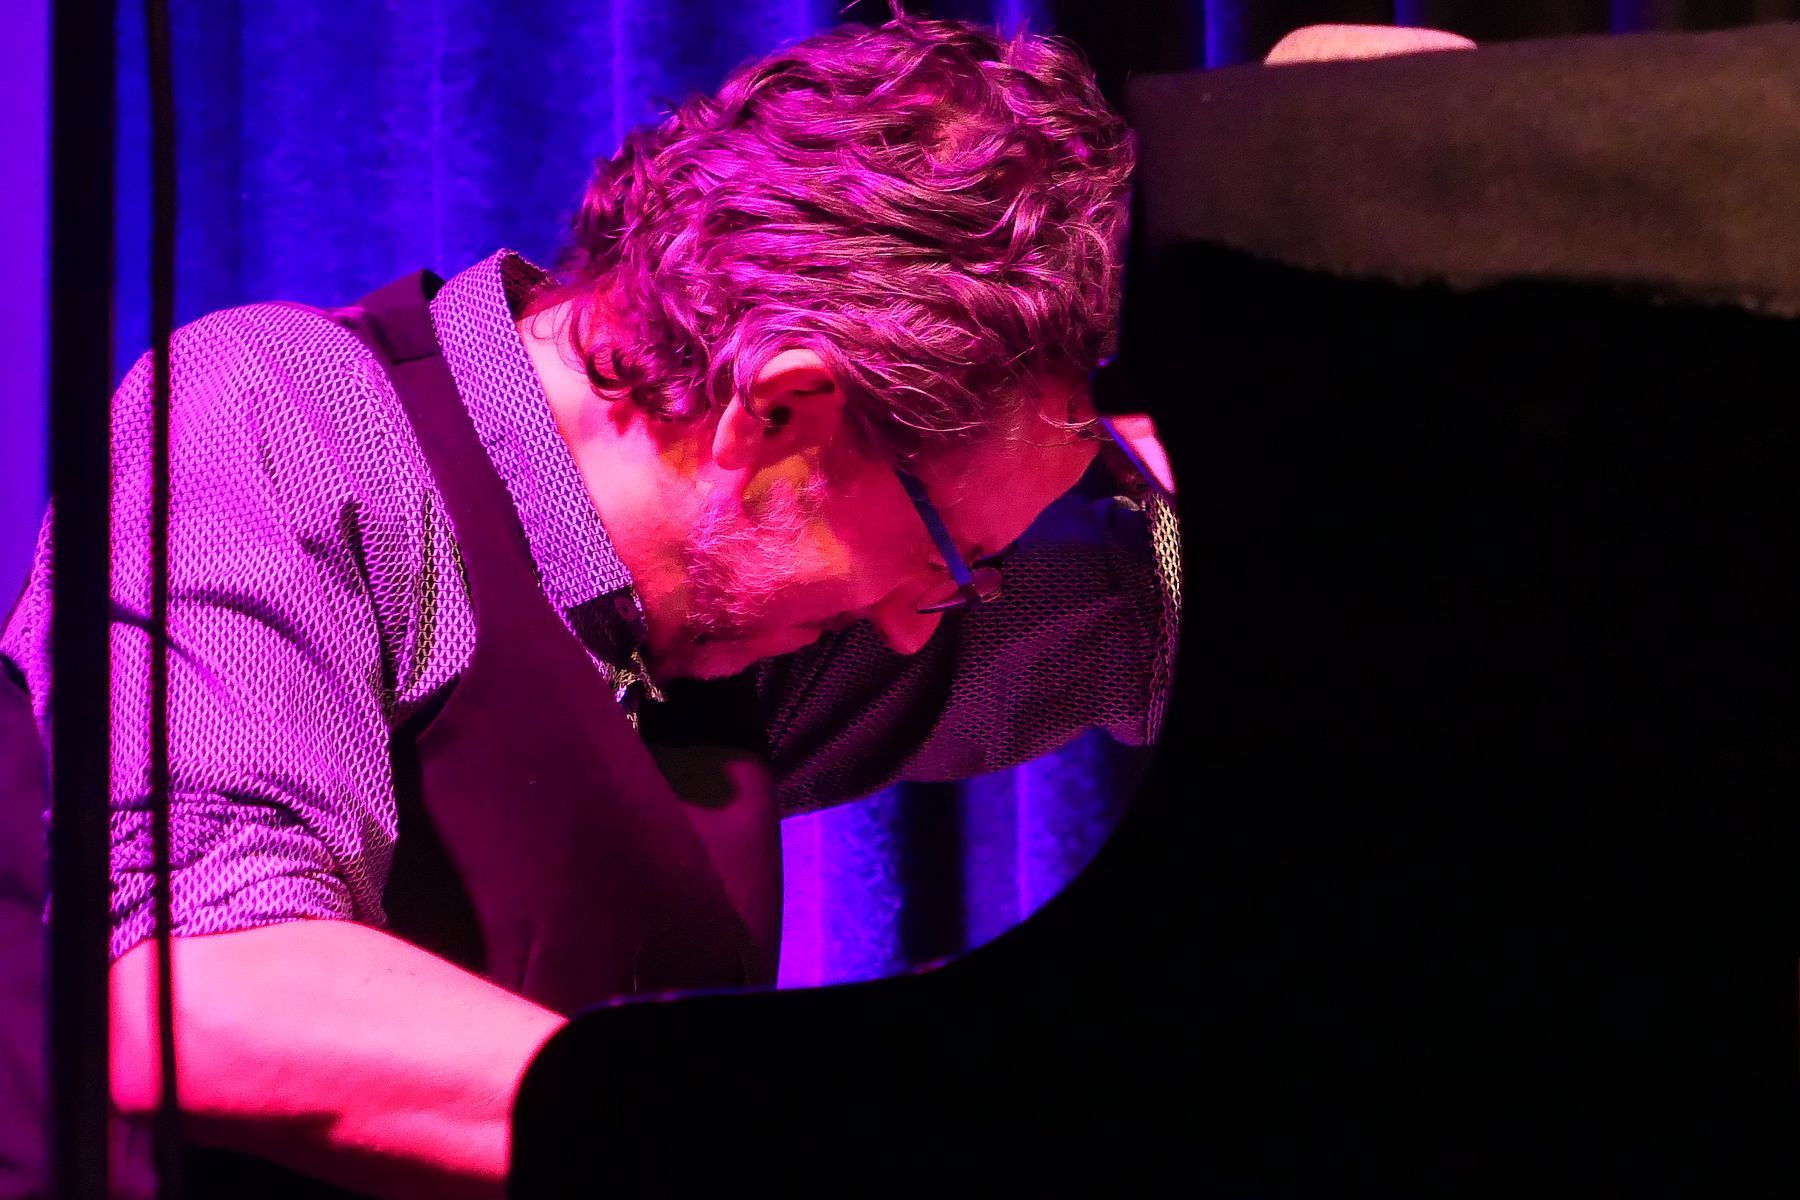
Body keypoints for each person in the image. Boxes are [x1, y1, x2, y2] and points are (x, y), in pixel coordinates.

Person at [0, 12, 1170, 1199]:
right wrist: (764, 1140)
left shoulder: (736, 611)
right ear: (780, 411)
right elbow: (199, 987)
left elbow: (1156, 622)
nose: (922, 622)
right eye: (944, 556)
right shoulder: (286, 416)